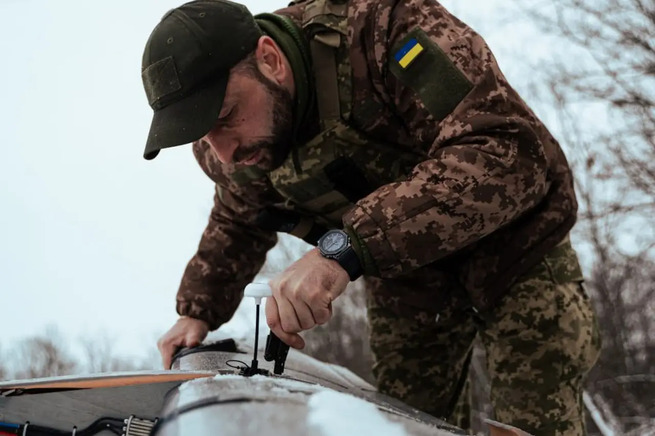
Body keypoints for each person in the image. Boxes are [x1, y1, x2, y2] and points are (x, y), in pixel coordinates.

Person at [140, 0, 600, 434]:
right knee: (405, 422)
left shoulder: (382, 30)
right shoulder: (229, 148)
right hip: (409, 280)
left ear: (270, 60)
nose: (224, 153)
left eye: (226, 116)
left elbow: (505, 151)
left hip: (518, 249)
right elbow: (238, 217)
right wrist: (197, 311)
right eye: (203, 134)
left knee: (533, 420)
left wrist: (343, 250)